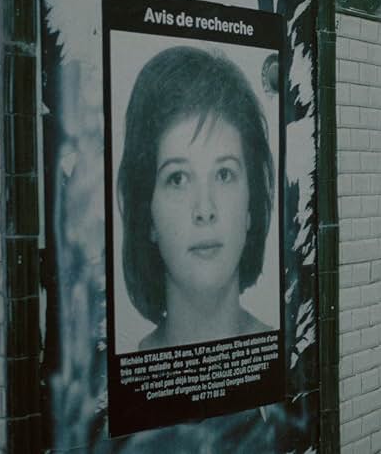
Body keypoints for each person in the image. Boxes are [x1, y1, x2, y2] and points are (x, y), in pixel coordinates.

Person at [117, 45, 276, 350]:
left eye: (224, 174)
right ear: (147, 215)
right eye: (177, 179)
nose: (205, 209)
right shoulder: (114, 385)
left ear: (250, 208)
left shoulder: (287, 364)